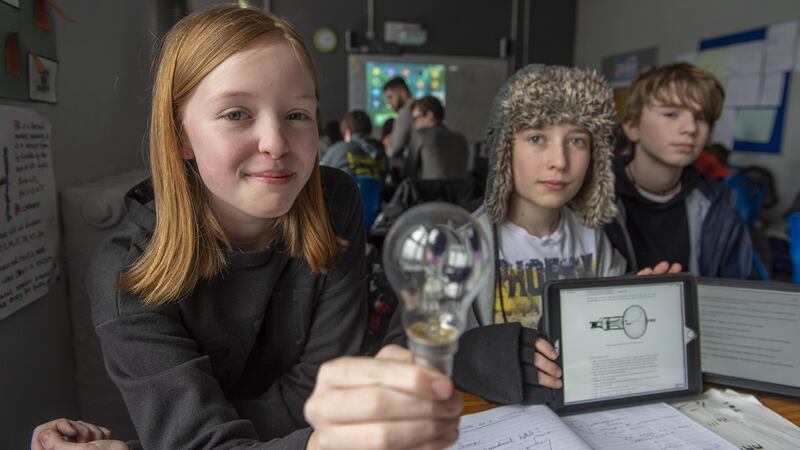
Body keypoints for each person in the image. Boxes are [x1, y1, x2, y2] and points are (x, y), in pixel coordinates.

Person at [31, 6, 460, 450]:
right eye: (236, 114)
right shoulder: (128, 273)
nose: (275, 143)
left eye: (297, 115)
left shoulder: (335, 200)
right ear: (181, 136)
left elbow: (319, 383)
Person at [385, 64, 679, 405]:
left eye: (577, 140)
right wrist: (473, 356)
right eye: (537, 137)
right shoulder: (457, 245)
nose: (559, 160)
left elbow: (611, 344)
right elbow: (400, 350)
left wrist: (640, 302)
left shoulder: (598, 239)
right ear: (503, 149)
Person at [605, 63, 754, 278]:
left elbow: (739, 291)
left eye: (701, 118)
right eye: (671, 114)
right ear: (632, 127)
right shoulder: (590, 199)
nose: (691, 128)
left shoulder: (719, 205)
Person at [406, 96, 470, 180]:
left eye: (415, 119)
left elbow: (408, 171)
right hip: (460, 192)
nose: (414, 125)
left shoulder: (420, 135)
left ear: (430, 115)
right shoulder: (461, 138)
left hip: (430, 192)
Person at [319, 110, 388, 181]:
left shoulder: (340, 148)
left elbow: (319, 171)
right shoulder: (381, 150)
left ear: (347, 132)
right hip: (375, 191)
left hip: (346, 191)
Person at [383, 77, 413, 160]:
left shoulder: (405, 112)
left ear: (403, 93)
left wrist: (387, 145)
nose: (389, 103)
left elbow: (393, 150)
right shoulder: (418, 107)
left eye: (390, 97)